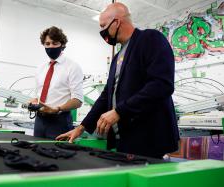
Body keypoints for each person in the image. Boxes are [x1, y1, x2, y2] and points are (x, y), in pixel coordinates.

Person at [56, 3, 179, 158]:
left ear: (117, 22)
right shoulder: (117, 57)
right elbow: (107, 94)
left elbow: (162, 85)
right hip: (126, 139)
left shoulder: (150, 39)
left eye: (103, 26)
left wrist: (120, 111)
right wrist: (82, 127)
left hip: (149, 138)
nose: (102, 31)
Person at [29, 26, 84, 139]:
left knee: (57, 154)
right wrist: (33, 102)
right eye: (47, 44)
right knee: (35, 152)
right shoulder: (41, 68)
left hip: (59, 121)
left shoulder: (72, 67)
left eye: (54, 43)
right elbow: (36, 96)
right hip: (39, 120)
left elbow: (78, 101)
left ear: (62, 44)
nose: (50, 47)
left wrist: (57, 109)